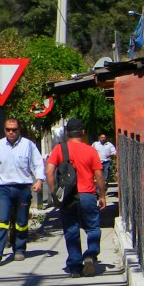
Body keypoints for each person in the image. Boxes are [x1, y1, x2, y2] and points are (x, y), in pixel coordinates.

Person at [46, 118, 107, 277]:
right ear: (83, 132)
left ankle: (74, 267)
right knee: (93, 228)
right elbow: (99, 174)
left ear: (67, 133)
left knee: (71, 230)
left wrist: (55, 193)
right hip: (87, 195)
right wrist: (102, 195)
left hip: (68, 196)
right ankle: (90, 254)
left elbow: (49, 172)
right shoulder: (91, 150)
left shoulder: (60, 149)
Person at [0, 118, 45, 265]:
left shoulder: (28, 145)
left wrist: (39, 180)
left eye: (14, 129)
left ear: (19, 130)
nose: (11, 132)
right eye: (8, 129)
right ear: (5, 130)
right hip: (3, 189)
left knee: (21, 221)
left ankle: (19, 249)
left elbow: (38, 164)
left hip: (22, 188)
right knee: (1, 220)